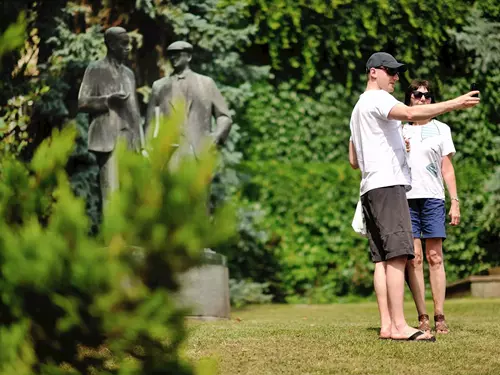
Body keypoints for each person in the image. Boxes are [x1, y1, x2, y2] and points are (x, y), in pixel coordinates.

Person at [348, 52, 479, 341]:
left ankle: (386, 325)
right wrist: (455, 103)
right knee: (398, 255)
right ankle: (399, 326)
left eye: (397, 72)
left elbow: (353, 159)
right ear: (373, 73)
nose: (395, 77)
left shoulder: (358, 107)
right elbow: (410, 114)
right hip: (389, 185)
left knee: (382, 259)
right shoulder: (379, 99)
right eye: (390, 71)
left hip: (370, 188)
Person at [402, 80, 460, 334]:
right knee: (413, 259)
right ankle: (422, 315)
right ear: (409, 99)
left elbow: (447, 168)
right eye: (418, 95)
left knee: (434, 257)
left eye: (428, 96)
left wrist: (455, 201)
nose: (423, 99)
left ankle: (439, 315)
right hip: (404, 198)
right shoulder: (399, 129)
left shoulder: (442, 129)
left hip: (433, 198)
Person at [78, 27, 142, 205]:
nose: (128, 48)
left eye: (129, 44)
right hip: (108, 141)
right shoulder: (95, 69)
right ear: (111, 45)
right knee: (112, 197)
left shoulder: (129, 74)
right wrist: (107, 101)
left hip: (129, 141)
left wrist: (141, 145)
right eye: (124, 44)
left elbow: (135, 112)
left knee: (130, 199)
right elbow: (82, 103)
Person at [145, 41, 232, 166]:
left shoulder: (206, 83)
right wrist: (149, 150)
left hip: (200, 153)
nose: (173, 57)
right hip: (169, 155)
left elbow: (224, 117)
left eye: (178, 54)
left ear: (189, 57)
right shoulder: (159, 86)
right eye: (170, 54)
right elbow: (150, 122)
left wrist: (215, 137)